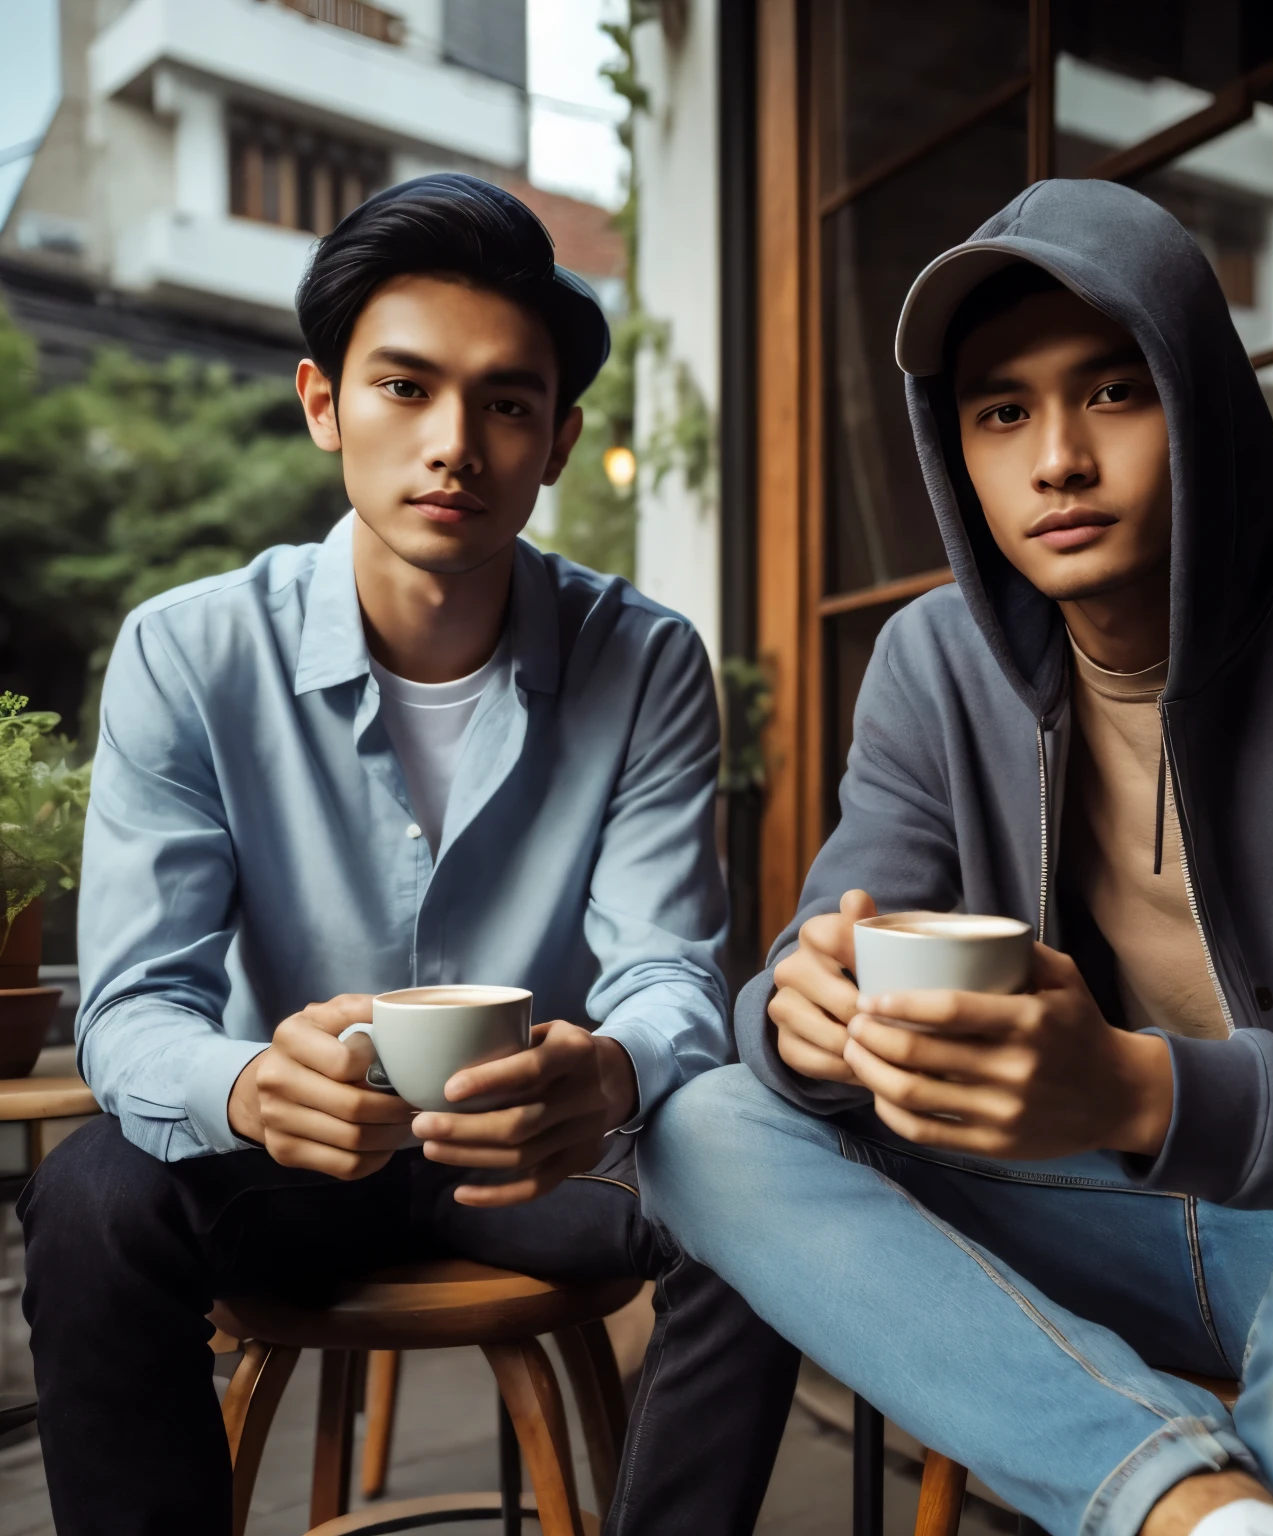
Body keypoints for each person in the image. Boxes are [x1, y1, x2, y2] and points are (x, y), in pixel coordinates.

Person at [640, 178, 1273, 1536]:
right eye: (1002, 412)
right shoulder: (933, 666)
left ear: (1205, 406)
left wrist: (1132, 1088)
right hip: (1089, 1201)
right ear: (958, 453)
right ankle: (1193, 1511)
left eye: (1115, 392)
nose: (1056, 458)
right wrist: (799, 1014)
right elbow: (832, 939)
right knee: (707, 1120)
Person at [20, 174, 798, 1536]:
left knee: (776, 1176)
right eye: (404, 389)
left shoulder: (647, 659)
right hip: (293, 1165)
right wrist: (254, 1086)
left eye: (506, 404)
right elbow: (135, 1006)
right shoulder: (190, 651)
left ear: (556, 442)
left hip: (547, 1162)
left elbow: (669, 967)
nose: (456, 444)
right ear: (324, 403)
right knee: (91, 1199)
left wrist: (610, 1069)